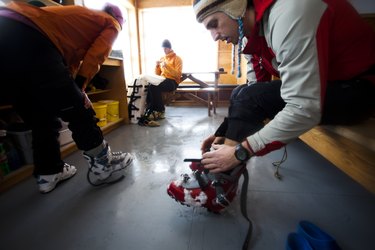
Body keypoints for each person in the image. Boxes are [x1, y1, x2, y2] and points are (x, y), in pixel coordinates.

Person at [167, 0, 375, 212]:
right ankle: (221, 169)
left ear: (235, 7)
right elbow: (253, 90)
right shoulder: (251, 33)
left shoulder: (290, 11)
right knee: (240, 92)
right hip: (327, 83)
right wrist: (225, 132)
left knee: (246, 97)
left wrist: (240, 151)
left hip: (360, 90)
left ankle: (220, 181)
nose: (214, 36)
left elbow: (304, 108)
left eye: (214, 24)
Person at [0, 1, 133, 193]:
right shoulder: (110, 22)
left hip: (6, 35)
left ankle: (49, 173)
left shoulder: (77, 18)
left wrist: (75, 89)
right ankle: (103, 162)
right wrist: (79, 92)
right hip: (30, 37)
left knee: (41, 118)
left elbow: (65, 66)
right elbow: (96, 56)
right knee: (80, 110)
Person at [136, 39, 183, 126]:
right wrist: (157, 66)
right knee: (150, 85)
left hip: (172, 82)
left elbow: (178, 75)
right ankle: (152, 110)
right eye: (163, 48)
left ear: (169, 48)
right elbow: (157, 74)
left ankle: (160, 110)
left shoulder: (177, 59)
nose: (164, 50)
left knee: (154, 86)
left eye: (165, 48)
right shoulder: (162, 58)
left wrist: (167, 66)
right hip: (162, 80)